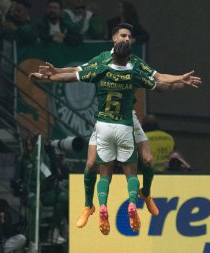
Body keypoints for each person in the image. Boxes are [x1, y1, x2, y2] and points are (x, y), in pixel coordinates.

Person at [36, 22, 202, 229]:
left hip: (126, 117)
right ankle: (89, 206)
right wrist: (55, 71)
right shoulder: (103, 60)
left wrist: (51, 76)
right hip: (112, 121)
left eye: (129, 36)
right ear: (114, 38)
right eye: (123, 35)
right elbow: (79, 70)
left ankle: (146, 194)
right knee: (92, 165)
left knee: (148, 160)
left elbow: (158, 79)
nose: (126, 39)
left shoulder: (132, 62)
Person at [29, 41, 170, 235]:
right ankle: (131, 203)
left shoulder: (102, 70)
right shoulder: (134, 74)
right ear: (129, 58)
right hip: (124, 126)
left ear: (112, 55)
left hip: (104, 126)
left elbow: (72, 76)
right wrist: (180, 82)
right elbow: (159, 85)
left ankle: (101, 206)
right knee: (130, 171)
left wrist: (48, 77)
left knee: (104, 172)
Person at [13, 134, 68, 245]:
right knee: (37, 205)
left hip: (45, 193)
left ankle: (54, 231)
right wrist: (20, 187)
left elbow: (51, 175)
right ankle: (33, 241)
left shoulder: (46, 159)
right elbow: (16, 180)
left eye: (31, 146)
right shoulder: (22, 160)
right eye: (27, 146)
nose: (29, 148)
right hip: (30, 193)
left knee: (64, 197)